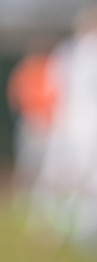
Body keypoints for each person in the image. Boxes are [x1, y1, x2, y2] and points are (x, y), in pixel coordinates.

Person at [29, 6, 97, 258]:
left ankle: (69, 228)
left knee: (70, 182)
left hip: (71, 128)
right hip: (96, 131)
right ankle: (82, 229)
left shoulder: (67, 52)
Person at [7, 40, 58, 204]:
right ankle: (23, 196)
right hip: (33, 120)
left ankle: (44, 197)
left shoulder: (54, 68)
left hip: (52, 123)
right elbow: (16, 97)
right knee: (29, 163)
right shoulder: (27, 70)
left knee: (50, 164)